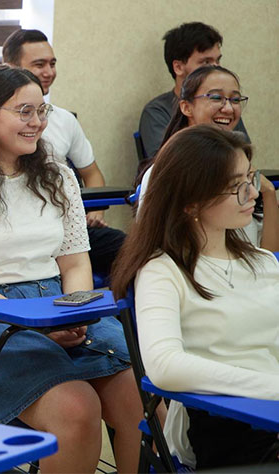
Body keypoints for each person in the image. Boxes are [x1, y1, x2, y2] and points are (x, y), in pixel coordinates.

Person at [0, 64, 144, 474]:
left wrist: (76, 310)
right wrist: (34, 324)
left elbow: (75, 261)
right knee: (77, 407)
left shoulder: (56, 175)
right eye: (24, 111)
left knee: (136, 396)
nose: (36, 122)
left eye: (42, 111)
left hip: (59, 303)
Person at [111, 125, 279, 470]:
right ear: (191, 202)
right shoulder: (162, 269)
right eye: (236, 187)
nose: (252, 194)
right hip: (222, 418)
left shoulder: (262, 260)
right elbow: (165, 367)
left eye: (251, 178)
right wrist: (270, 387)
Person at [2, 28, 126, 277]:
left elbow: (91, 173)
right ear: (10, 67)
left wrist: (94, 213)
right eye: (39, 64)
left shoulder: (64, 120)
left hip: (66, 226)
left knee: (136, 252)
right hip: (15, 229)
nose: (48, 72)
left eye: (52, 63)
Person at [138, 65, 279, 251]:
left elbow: (268, 257)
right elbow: (157, 248)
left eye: (235, 99)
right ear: (186, 107)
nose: (228, 108)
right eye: (216, 98)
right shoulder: (167, 171)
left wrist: (268, 192)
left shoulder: (244, 168)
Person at [138, 21, 249, 158]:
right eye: (206, 62)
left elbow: (244, 157)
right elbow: (162, 162)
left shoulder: (226, 107)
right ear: (178, 67)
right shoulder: (157, 111)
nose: (216, 68)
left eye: (217, 61)